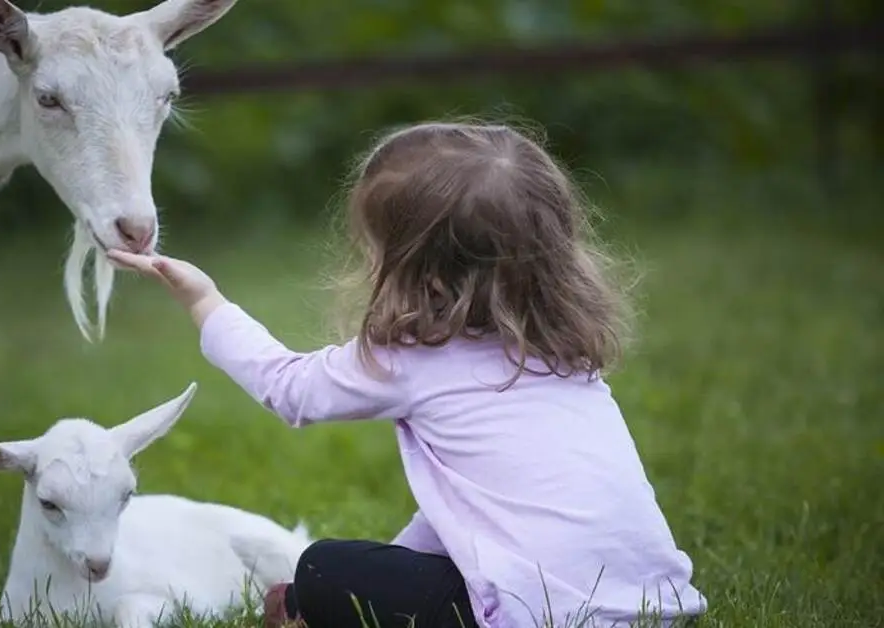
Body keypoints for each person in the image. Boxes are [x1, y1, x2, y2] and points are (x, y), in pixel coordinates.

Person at [107, 121, 706, 628]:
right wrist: (394, 561)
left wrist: (205, 301)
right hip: (646, 603)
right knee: (372, 568)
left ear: (416, 269)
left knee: (321, 570)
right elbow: (471, 508)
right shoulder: (565, 355)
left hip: (532, 612)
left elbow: (288, 388)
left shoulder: (414, 358)